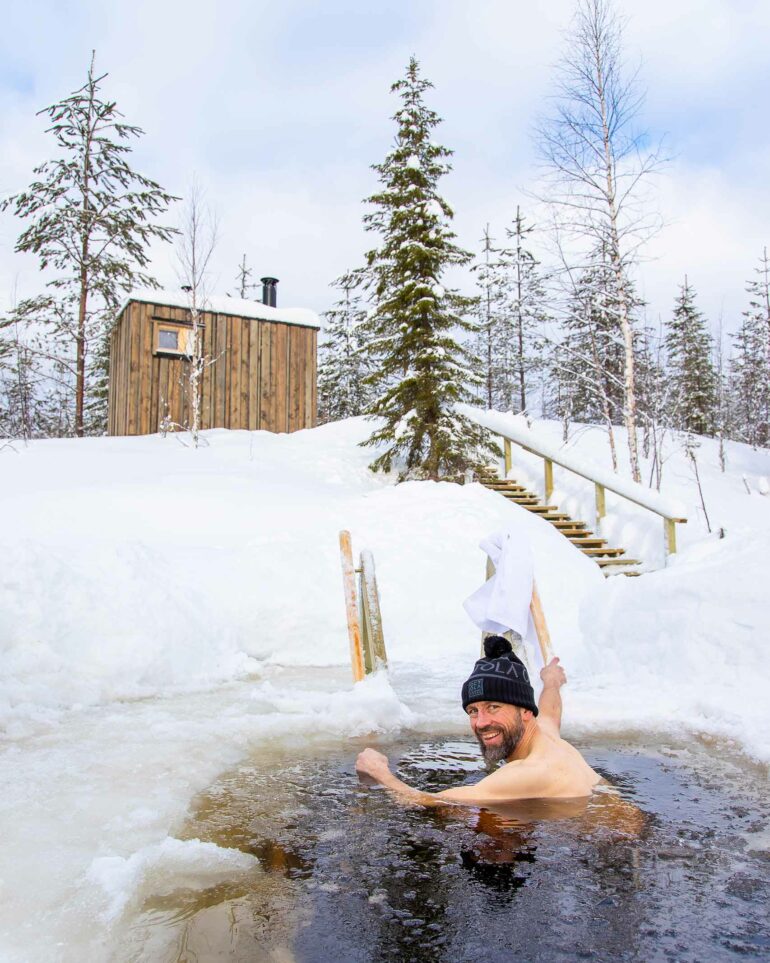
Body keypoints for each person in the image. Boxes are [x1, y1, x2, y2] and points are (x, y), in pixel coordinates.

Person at [355, 636, 602, 805]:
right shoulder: (546, 734)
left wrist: (380, 773)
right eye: (473, 711)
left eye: (493, 707)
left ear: (525, 711)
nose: (481, 722)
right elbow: (550, 709)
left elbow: (428, 802)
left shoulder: (530, 772)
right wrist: (551, 681)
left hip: (615, 843)